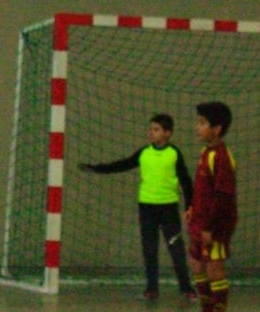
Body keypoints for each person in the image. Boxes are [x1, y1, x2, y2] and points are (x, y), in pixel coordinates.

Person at [79, 113, 196, 301]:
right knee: (149, 250)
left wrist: (190, 206)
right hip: (146, 208)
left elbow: (186, 182)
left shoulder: (174, 154)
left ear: (168, 133)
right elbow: (122, 164)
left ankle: (186, 288)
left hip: (168, 209)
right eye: (150, 129)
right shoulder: (144, 153)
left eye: (156, 129)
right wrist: (97, 168)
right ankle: (151, 289)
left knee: (176, 249)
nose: (151, 132)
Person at [183, 101, 237, 312]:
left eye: (203, 123)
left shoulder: (223, 158)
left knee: (215, 270)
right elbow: (203, 190)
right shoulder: (206, 153)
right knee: (195, 265)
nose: (197, 127)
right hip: (200, 222)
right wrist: (193, 208)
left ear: (217, 129)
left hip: (215, 226)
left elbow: (223, 196)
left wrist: (210, 227)